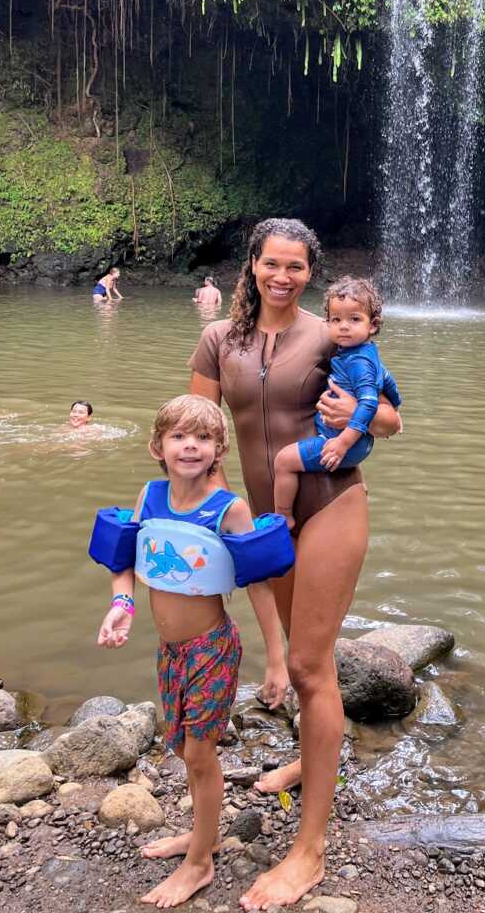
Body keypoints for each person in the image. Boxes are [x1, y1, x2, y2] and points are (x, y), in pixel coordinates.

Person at [188, 218, 402, 912]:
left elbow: (394, 417)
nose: (283, 276)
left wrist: (363, 417)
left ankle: (309, 851)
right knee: (307, 660)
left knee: (310, 665)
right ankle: (308, 758)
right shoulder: (220, 340)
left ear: (311, 272)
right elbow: (194, 426)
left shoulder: (332, 332)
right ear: (251, 265)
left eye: (297, 266)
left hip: (332, 503)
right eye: (271, 263)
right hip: (265, 517)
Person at [96, 394, 287, 910]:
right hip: (170, 650)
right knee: (183, 749)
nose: (190, 446)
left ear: (219, 448)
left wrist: (276, 659)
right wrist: (121, 607)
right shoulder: (151, 496)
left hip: (211, 649)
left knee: (201, 754)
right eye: (179, 437)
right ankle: (202, 835)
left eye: (202, 438)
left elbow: (259, 584)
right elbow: (127, 560)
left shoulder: (230, 508)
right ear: (157, 445)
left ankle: (199, 863)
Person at [272, 276, 400, 527]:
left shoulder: (357, 362)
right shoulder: (365, 352)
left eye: (354, 319)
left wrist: (341, 442)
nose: (343, 327)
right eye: (336, 320)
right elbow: (387, 379)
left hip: (343, 442)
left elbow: (368, 404)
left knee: (284, 461)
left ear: (372, 325)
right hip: (353, 441)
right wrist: (396, 404)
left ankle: (282, 515)